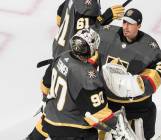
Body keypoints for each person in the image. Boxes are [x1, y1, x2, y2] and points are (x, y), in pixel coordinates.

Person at [25, 1, 125, 139]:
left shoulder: (61, 57)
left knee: (42, 126)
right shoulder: (87, 75)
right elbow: (96, 114)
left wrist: (44, 99)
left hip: (49, 119)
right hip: (74, 130)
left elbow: (45, 84)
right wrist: (115, 125)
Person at [97, 8, 161, 140]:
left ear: (139, 25)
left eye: (130, 23)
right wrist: (101, 19)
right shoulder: (107, 34)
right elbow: (83, 35)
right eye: (124, 22)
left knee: (142, 133)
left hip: (137, 105)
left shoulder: (150, 47)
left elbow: (156, 74)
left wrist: (135, 87)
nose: (125, 27)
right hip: (108, 103)